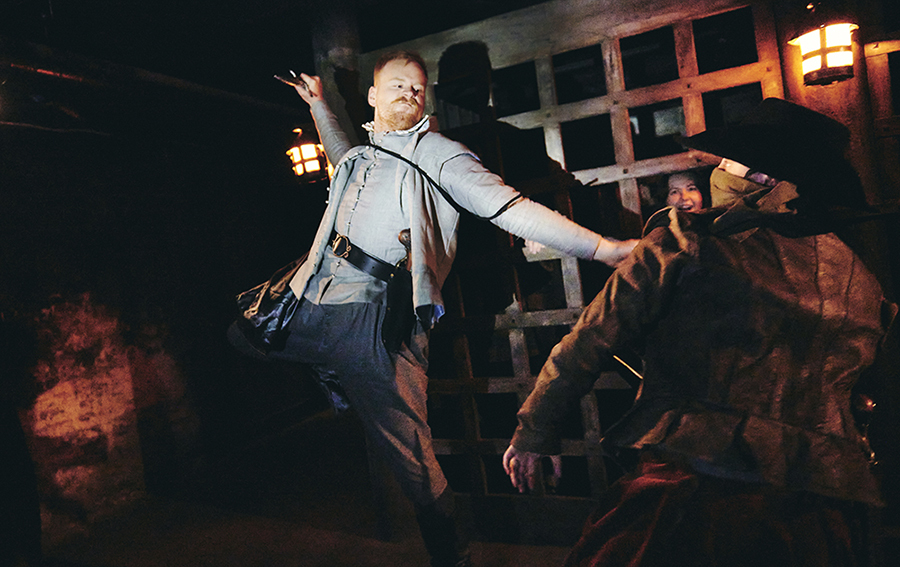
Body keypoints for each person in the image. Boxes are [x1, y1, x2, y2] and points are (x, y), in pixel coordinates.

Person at [230, 50, 638, 567]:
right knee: (239, 333)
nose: (409, 94)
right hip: (309, 296)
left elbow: (512, 208)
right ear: (375, 97)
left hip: (373, 318)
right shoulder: (361, 155)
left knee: (410, 455)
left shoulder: (443, 154)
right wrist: (318, 104)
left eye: (418, 88)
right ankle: (330, 368)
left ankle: (454, 556)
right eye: (397, 86)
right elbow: (339, 149)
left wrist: (601, 249)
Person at [502, 98, 897, 566]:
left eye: (729, 160)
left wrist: (534, 431)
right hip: (818, 507)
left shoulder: (688, 240)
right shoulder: (860, 278)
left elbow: (589, 340)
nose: (719, 170)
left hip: (696, 486)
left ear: (763, 177)